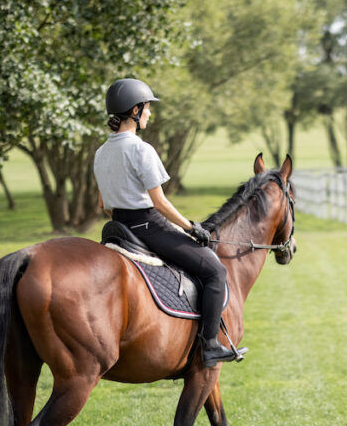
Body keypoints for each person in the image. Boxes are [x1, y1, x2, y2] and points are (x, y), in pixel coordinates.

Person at [94, 78, 247, 367]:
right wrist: (192, 228)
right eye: (148, 108)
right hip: (150, 227)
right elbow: (160, 203)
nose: (150, 113)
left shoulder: (101, 153)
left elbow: (102, 205)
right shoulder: (141, 150)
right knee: (215, 270)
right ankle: (210, 345)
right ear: (135, 110)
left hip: (118, 229)